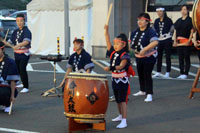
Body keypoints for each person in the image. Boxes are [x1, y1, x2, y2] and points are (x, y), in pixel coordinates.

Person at [104, 25, 132, 129]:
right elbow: (107, 41)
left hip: (122, 80)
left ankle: (124, 120)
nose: (115, 45)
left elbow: (121, 66)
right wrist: (106, 31)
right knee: (117, 99)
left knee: (123, 100)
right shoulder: (113, 53)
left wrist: (110, 68)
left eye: (117, 44)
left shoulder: (125, 54)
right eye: (114, 43)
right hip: (114, 79)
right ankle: (120, 116)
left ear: (124, 44)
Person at [131, 13, 159, 102]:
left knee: (147, 74)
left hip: (149, 56)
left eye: (142, 20)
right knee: (140, 74)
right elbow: (131, 44)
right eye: (138, 20)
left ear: (147, 21)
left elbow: (155, 42)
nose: (139, 22)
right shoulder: (135, 32)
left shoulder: (150, 31)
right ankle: (142, 90)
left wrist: (145, 49)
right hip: (138, 56)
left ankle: (149, 93)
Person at [1, 13, 32, 93]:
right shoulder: (15, 31)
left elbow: (26, 42)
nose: (19, 23)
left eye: (21, 21)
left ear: (24, 21)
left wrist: (17, 45)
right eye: (18, 21)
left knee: (22, 69)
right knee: (17, 69)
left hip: (24, 54)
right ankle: (20, 83)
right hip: (17, 53)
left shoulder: (26, 31)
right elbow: (10, 42)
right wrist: (4, 42)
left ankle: (26, 86)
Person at [173, 5, 194, 79]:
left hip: (186, 41)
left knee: (186, 57)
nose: (183, 11)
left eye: (185, 9)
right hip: (179, 42)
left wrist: (189, 40)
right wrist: (174, 41)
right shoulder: (178, 20)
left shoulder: (190, 20)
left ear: (187, 10)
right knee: (180, 57)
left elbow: (192, 31)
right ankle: (181, 72)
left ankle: (186, 73)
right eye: (182, 9)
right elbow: (175, 31)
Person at [153, 7, 174, 78]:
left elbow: (172, 29)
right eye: (158, 11)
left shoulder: (168, 20)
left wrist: (169, 35)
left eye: (160, 11)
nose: (159, 13)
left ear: (164, 12)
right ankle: (158, 71)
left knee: (168, 56)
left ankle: (168, 72)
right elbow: (154, 30)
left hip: (167, 39)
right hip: (159, 39)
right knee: (158, 56)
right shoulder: (156, 21)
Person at [0, 42, 19, 113]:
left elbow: (13, 81)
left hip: (6, 88)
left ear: (3, 50)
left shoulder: (10, 62)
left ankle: (7, 104)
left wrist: (12, 96)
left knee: (2, 92)